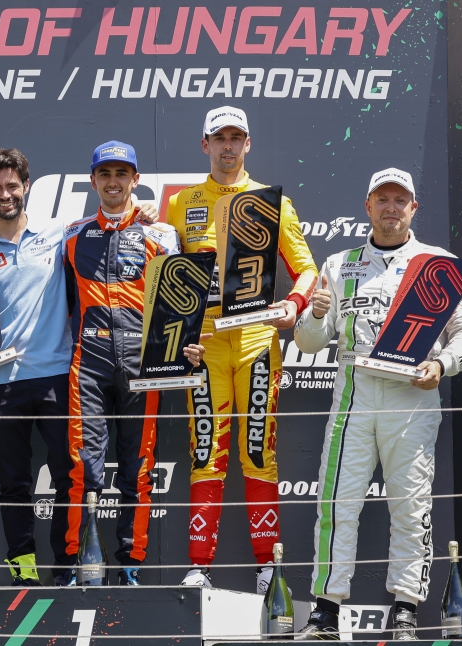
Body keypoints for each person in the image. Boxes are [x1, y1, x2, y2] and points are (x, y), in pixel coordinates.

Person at [0, 149, 159, 586]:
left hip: (58, 376)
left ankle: (67, 568)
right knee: (13, 483)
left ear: (26, 187)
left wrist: (143, 211)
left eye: (12, 185)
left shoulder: (59, 234)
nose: (5, 194)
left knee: (70, 477)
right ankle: (23, 570)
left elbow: (114, 225)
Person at [292, 168, 462, 640]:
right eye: (383, 199)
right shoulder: (339, 264)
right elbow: (309, 342)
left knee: (411, 506)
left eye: (400, 200)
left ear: (413, 207)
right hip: (354, 397)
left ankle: (404, 612)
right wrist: (315, 316)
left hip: (411, 398)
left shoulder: (438, 263)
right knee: (337, 505)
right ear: (368, 206)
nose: (391, 208)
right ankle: (325, 612)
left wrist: (442, 364)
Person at [168, 107, 318, 591]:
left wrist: (294, 304)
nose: (228, 146)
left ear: (248, 143)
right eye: (220, 138)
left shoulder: (273, 202)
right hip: (205, 345)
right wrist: (179, 338)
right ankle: (199, 568)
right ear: (205, 144)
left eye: (236, 137)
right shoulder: (181, 203)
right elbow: (167, 278)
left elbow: (307, 270)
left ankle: (267, 570)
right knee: (205, 450)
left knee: (258, 451)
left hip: (256, 341)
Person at [64, 140, 207, 586]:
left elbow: (181, 301)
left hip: (142, 361)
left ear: (135, 179)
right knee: (82, 466)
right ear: (93, 180)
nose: (113, 182)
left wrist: (187, 347)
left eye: (121, 173)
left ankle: (131, 564)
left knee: (138, 468)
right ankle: (81, 563)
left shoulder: (161, 235)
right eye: (105, 174)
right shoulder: (70, 234)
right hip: (88, 360)